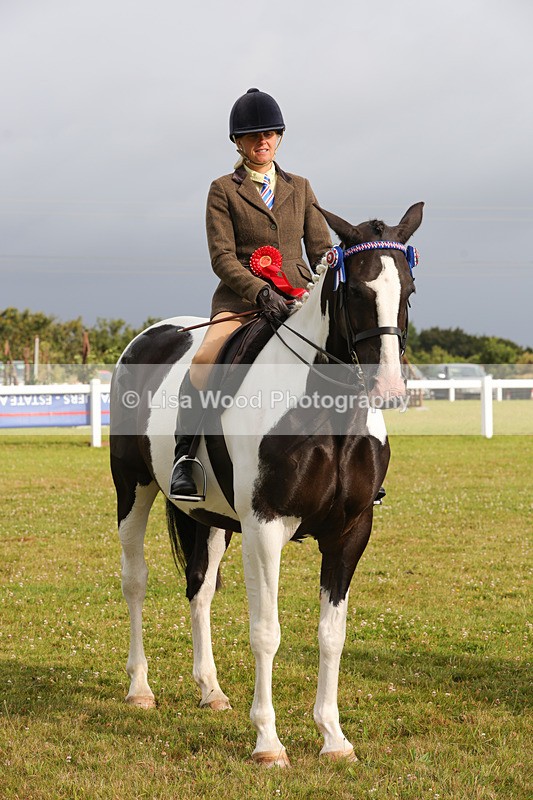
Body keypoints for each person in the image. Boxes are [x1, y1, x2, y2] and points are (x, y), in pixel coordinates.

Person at [169, 88, 332, 500]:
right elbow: (222, 257)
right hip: (241, 303)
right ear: (238, 142)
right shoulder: (223, 189)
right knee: (204, 363)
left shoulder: (301, 187)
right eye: (253, 135)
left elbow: (319, 251)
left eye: (270, 133)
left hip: (298, 298)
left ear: (279, 137)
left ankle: (355, 459)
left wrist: (327, 281)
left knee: (340, 357)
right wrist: (259, 291)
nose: (263, 140)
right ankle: (184, 458)